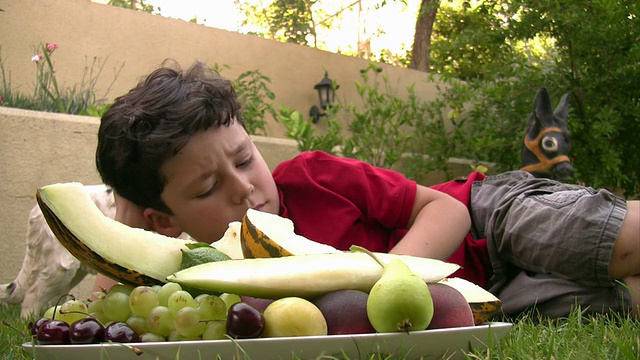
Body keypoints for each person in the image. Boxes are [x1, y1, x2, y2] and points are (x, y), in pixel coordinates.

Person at [94, 59, 639, 319]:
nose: (244, 189)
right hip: (487, 297)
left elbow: (446, 210)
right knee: (615, 303)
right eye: (209, 187)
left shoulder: (309, 177)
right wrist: (132, 216)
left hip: (489, 220)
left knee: (611, 242)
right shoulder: (215, 279)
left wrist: (392, 276)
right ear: (162, 219)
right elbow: (109, 288)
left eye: (244, 159)